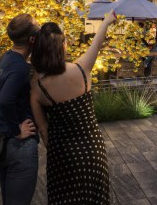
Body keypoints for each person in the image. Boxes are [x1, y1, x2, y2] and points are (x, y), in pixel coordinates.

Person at [30, 12, 117, 204]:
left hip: (62, 154)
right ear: (63, 46)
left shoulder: (37, 88)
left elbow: (44, 130)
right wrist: (107, 21)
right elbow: (97, 41)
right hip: (92, 150)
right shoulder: (81, 69)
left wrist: (57, 152)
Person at [0, 14, 41, 205]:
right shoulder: (20, 67)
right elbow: (5, 100)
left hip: (3, 143)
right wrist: (16, 130)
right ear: (32, 39)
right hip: (18, 147)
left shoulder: (4, 59)